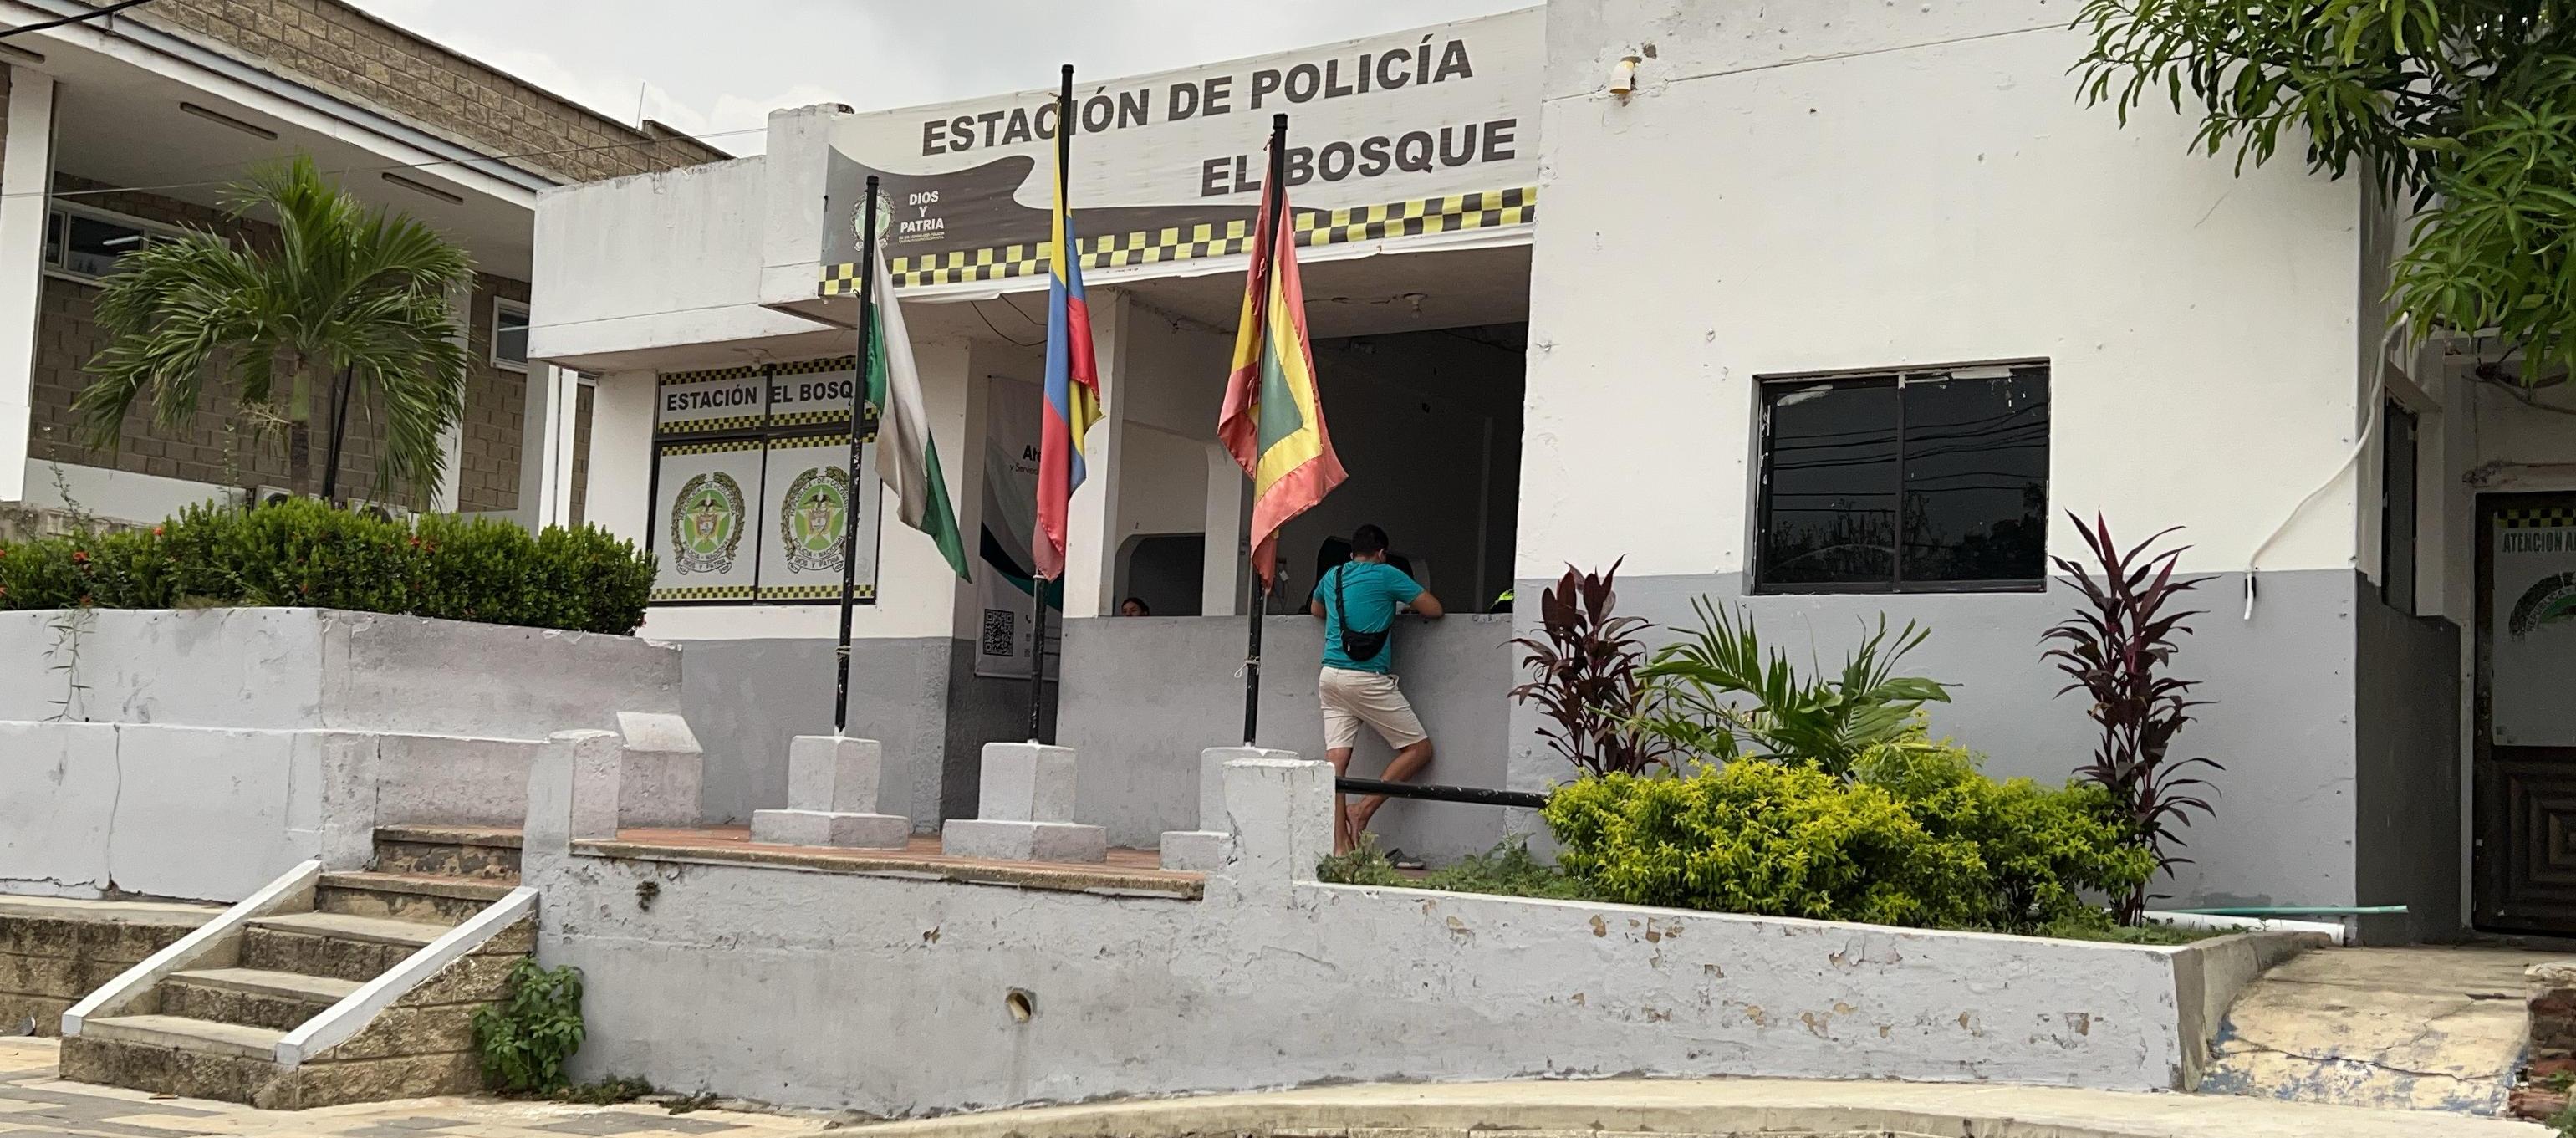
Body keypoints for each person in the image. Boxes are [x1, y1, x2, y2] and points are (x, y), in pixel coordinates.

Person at [1309, 523, 1444, 854]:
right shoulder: (1387, 575)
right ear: (1382, 553)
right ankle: (1363, 810)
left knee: (1336, 765)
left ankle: (1340, 847)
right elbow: (1434, 609)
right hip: (1366, 678)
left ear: (1352, 552)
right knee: (1419, 750)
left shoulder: (1333, 576)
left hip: (1330, 677)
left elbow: (1316, 611)